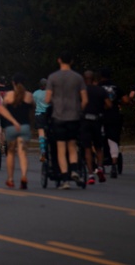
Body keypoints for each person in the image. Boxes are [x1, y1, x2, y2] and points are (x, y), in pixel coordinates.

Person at [45, 52, 87, 189]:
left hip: (58, 117)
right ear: (72, 61)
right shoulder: (78, 78)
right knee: (72, 145)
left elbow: (47, 99)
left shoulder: (53, 78)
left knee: (60, 148)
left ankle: (64, 178)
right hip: (73, 116)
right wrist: (78, 109)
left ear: (59, 60)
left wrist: (55, 103)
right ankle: (74, 169)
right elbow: (85, 99)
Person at [1, 73, 33, 189]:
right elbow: (32, 109)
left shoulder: (9, 95)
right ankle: (24, 176)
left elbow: (3, 108)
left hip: (11, 127)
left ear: (13, 83)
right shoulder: (29, 96)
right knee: (23, 153)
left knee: (10, 153)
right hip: (24, 126)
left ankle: (10, 178)